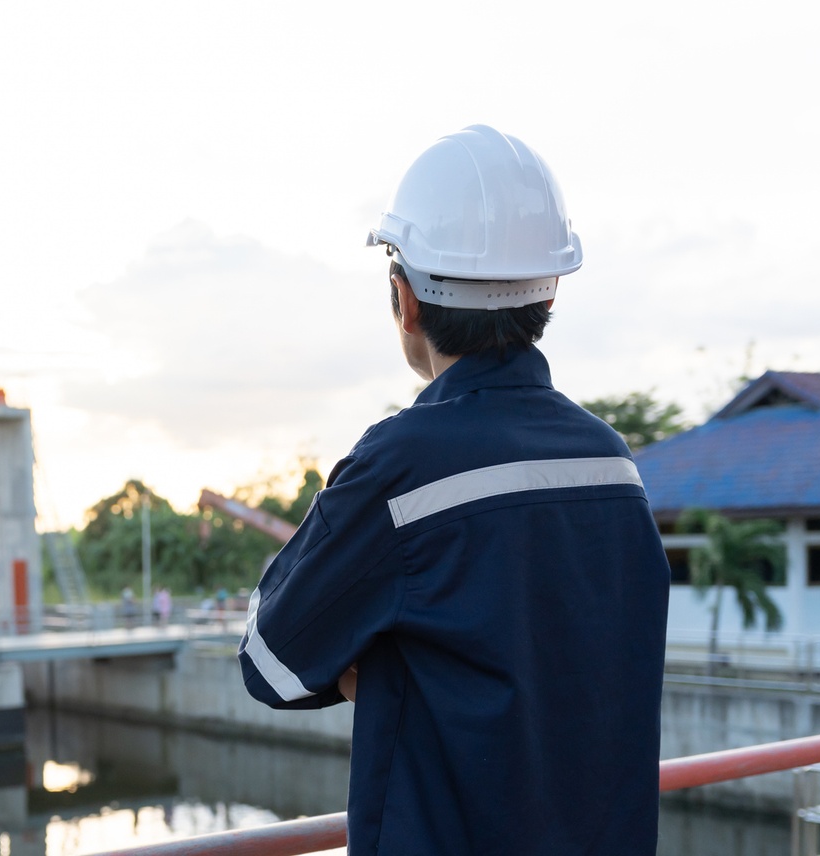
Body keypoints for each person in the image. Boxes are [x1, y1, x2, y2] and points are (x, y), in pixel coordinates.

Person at [238, 124, 669, 855]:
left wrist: (380, 669)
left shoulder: (402, 463)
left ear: (404, 299)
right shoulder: (610, 462)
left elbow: (270, 662)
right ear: (551, 293)